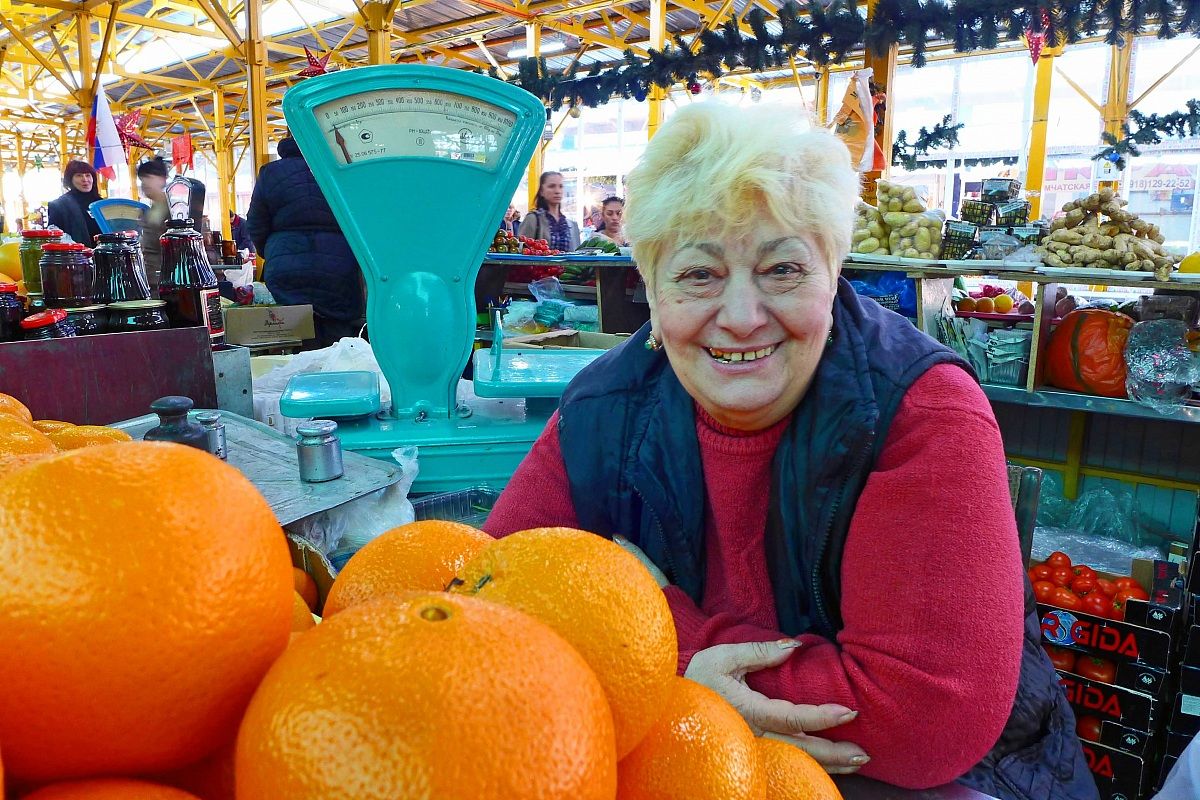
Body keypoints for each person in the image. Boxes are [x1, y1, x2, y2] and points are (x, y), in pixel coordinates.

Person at [484, 103, 1095, 799]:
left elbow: (923, 719)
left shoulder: (920, 410)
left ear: (833, 275)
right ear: (651, 289)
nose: (742, 316)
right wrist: (692, 680)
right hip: (700, 772)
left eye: (781, 269)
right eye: (697, 275)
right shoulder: (603, 410)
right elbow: (493, 600)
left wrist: (665, 641)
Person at [246, 136, 365, 348]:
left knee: (290, 339)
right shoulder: (342, 169)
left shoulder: (270, 172)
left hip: (285, 270)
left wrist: (276, 253)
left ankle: (294, 375)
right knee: (338, 343)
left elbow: (255, 225)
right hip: (339, 269)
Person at [518, 171, 580, 252]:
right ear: (541, 191)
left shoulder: (571, 224)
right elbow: (521, 252)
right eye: (551, 186)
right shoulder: (533, 219)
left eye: (561, 186)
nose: (557, 191)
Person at [47, 161, 102, 245]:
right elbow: (54, 237)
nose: (85, 179)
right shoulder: (59, 205)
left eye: (88, 175)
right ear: (70, 180)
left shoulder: (102, 203)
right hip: (76, 256)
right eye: (79, 175)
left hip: (106, 255)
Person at [136, 157, 170, 291]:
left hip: (165, 280)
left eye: (149, 177)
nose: (144, 183)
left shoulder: (174, 209)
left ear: (162, 179)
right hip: (150, 279)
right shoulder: (149, 211)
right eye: (142, 179)